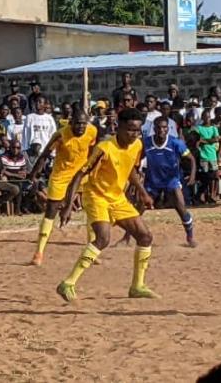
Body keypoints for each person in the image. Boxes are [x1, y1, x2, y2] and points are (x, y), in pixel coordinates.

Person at [56, 108, 157, 302]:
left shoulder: (136, 145)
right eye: (130, 129)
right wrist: (68, 205)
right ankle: (68, 283)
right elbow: (80, 174)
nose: (134, 134)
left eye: (137, 130)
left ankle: (137, 286)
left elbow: (130, 170)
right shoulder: (104, 147)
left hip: (117, 198)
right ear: (118, 127)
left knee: (145, 237)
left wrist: (143, 193)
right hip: (96, 197)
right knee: (103, 239)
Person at [28, 111, 98, 265]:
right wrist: (33, 174)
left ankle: (92, 248)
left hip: (81, 175)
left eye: (83, 123)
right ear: (71, 123)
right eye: (78, 123)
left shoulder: (92, 131)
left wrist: (90, 168)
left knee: (92, 208)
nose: (81, 127)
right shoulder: (60, 135)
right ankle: (39, 253)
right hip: (61, 176)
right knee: (51, 211)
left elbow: (93, 149)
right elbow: (45, 155)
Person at [142, 115, 196, 246]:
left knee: (181, 207)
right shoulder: (146, 143)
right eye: (159, 127)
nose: (161, 130)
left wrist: (193, 176)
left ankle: (190, 236)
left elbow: (191, 159)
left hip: (171, 180)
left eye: (164, 127)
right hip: (152, 181)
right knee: (138, 209)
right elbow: (137, 160)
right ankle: (127, 237)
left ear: (168, 128)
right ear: (154, 128)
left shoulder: (176, 143)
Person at [194, 110, 220, 205]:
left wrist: (203, 141)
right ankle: (202, 196)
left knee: (213, 177)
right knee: (204, 178)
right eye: (205, 117)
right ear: (202, 117)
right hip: (203, 156)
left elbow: (216, 139)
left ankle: (211, 195)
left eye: (208, 117)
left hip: (213, 156)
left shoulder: (214, 128)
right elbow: (196, 140)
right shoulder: (199, 128)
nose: (207, 119)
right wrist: (210, 140)